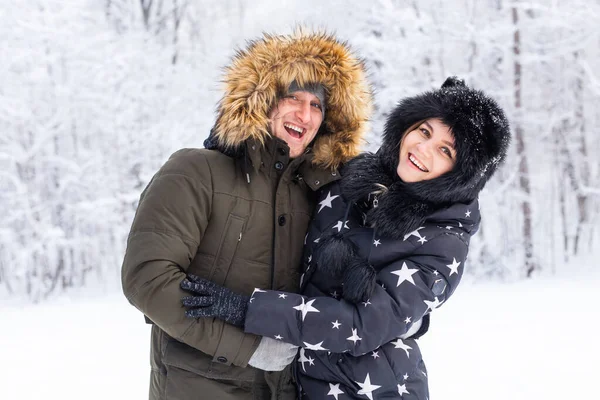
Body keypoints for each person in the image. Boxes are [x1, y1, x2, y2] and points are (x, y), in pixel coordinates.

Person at [179, 77, 511, 399]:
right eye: (424, 131)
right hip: (307, 385)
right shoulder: (353, 178)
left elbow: (362, 325)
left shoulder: (444, 241)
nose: (422, 149)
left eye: (445, 150)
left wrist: (248, 310)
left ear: (462, 174)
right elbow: (291, 164)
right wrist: (241, 146)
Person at [120, 29, 373, 400]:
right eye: (293, 97)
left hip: (289, 389)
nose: (304, 114)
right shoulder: (195, 171)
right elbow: (148, 279)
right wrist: (248, 347)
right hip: (198, 387)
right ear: (263, 100)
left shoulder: (323, 195)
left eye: (317, 106)